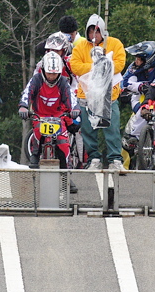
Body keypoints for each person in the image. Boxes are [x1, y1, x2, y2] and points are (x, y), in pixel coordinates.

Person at [70, 13, 126, 171]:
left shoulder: (114, 44)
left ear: (103, 31)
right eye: (90, 32)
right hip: (87, 96)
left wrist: (102, 66)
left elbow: (120, 63)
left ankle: (115, 159)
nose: (93, 35)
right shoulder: (80, 47)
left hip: (109, 95)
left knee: (112, 128)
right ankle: (94, 158)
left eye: (96, 31)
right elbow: (76, 66)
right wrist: (97, 66)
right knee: (88, 129)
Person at [19, 52, 80, 186]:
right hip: (40, 116)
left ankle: (66, 176)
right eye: (49, 73)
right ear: (43, 71)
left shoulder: (63, 82)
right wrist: (23, 106)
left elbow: (71, 97)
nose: (52, 76)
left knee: (63, 145)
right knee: (37, 134)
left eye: (55, 73)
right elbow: (27, 93)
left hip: (58, 117)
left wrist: (75, 109)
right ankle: (35, 154)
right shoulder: (36, 79)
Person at [121, 41, 155, 150]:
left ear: (149, 60)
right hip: (140, 98)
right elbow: (125, 83)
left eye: (139, 59)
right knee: (142, 112)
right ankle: (133, 136)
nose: (136, 61)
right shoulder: (133, 67)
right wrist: (140, 86)